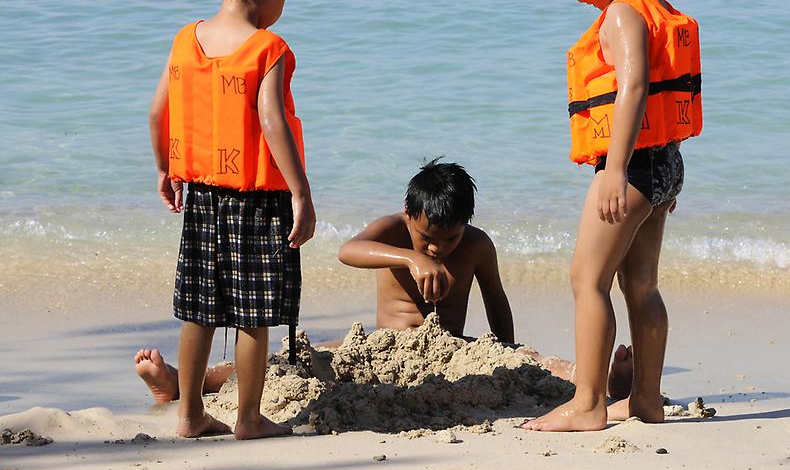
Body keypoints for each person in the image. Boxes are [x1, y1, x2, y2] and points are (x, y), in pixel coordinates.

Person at [136, 161, 636, 402]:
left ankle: (604, 381)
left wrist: (503, 353)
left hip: (456, 349)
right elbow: (346, 250)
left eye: (450, 237)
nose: (437, 248)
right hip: (384, 345)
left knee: (536, 359)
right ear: (409, 215)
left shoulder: (479, 245)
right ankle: (183, 383)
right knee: (296, 357)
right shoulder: (394, 233)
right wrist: (408, 258)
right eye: (427, 237)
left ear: (468, 223)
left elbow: (498, 304)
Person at [522, 0, 702, 432]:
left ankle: (588, 404)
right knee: (640, 285)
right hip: (665, 162)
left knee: (587, 280)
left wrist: (614, 169)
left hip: (635, 166)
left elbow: (635, 86)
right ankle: (646, 399)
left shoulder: (623, 13)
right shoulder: (657, 5)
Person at [147, 0, 315, 440]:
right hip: (259, 200)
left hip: (201, 194)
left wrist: (163, 168)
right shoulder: (269, 47)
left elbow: (158, 111)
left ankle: (190, 415)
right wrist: (301, 193)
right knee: (254, 313)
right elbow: (271, 120)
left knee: (198, 308)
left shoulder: (185, 38)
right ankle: (247, 418)